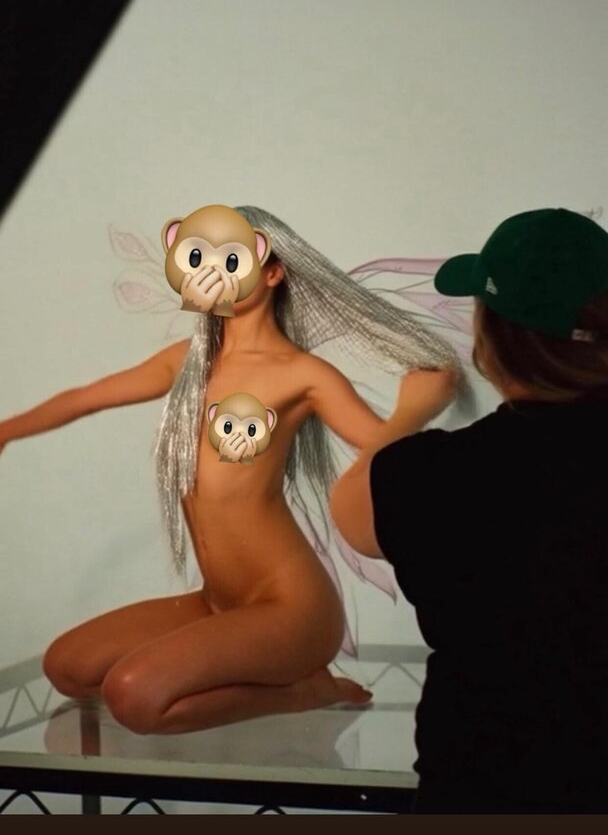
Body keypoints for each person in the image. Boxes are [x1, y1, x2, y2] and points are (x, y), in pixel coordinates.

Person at [0, 204, 458, 735]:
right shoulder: (188, 361)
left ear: (272, 270)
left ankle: (308, 690)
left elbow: (382, 458)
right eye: (196, 257)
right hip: (217, 602)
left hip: (292, 608)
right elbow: (86, 398)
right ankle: (249, 664)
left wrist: (415, 408)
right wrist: (6, 430)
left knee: (134, 697)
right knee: (67, 668)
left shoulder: (303, 374)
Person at [330, 207, 608, 813]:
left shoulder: (434, 475)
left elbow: (349, 510)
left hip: (479, 790)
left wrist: (408, 414)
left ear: (491, 339)